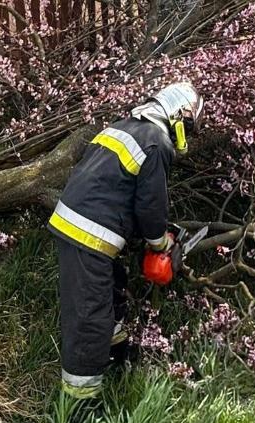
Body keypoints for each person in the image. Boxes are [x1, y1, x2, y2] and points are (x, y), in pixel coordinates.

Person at [47, 81, 205, 399]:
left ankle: (118, 358)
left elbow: (115, 189)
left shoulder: (122, 127)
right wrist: (161, 244)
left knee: (112, 294)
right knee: (91, 316)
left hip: (80, 222)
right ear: (181, 116)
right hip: (89, 232)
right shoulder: (158, 142)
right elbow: (150, 207)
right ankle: (81, 405)